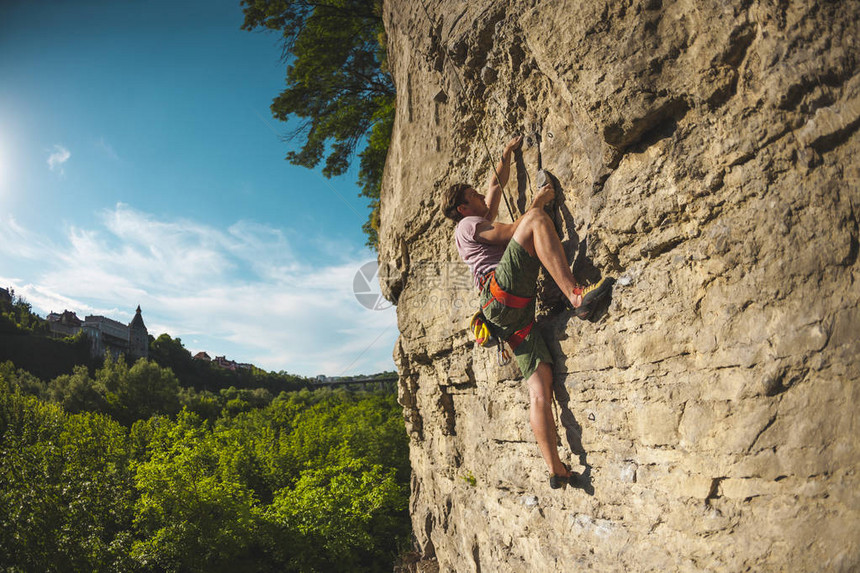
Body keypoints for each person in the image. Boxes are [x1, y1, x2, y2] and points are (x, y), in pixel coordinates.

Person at [442, 135, 612, 488]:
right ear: (462, 208)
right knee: (534, 219)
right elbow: (511, 231)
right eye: (473, 197)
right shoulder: (468, 225)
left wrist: (506, 155)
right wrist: (537, 201)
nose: (481, 197)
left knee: (540, 388)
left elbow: (494, 184)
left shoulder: (471, 221)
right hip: (500, 295)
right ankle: (576, 296)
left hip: (508, 318)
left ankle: (556, 469)